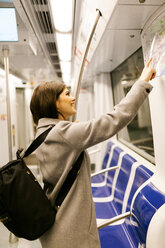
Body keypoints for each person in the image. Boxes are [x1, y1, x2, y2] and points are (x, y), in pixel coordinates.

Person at [30, 59, 156, 248]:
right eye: (67, 94)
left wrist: (71, 130)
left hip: (55, 229)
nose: (72, 98)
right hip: (72, 234)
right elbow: (115, 118)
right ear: (54, 104)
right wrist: (143, 82)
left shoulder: (44, 133)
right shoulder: (65, 134)